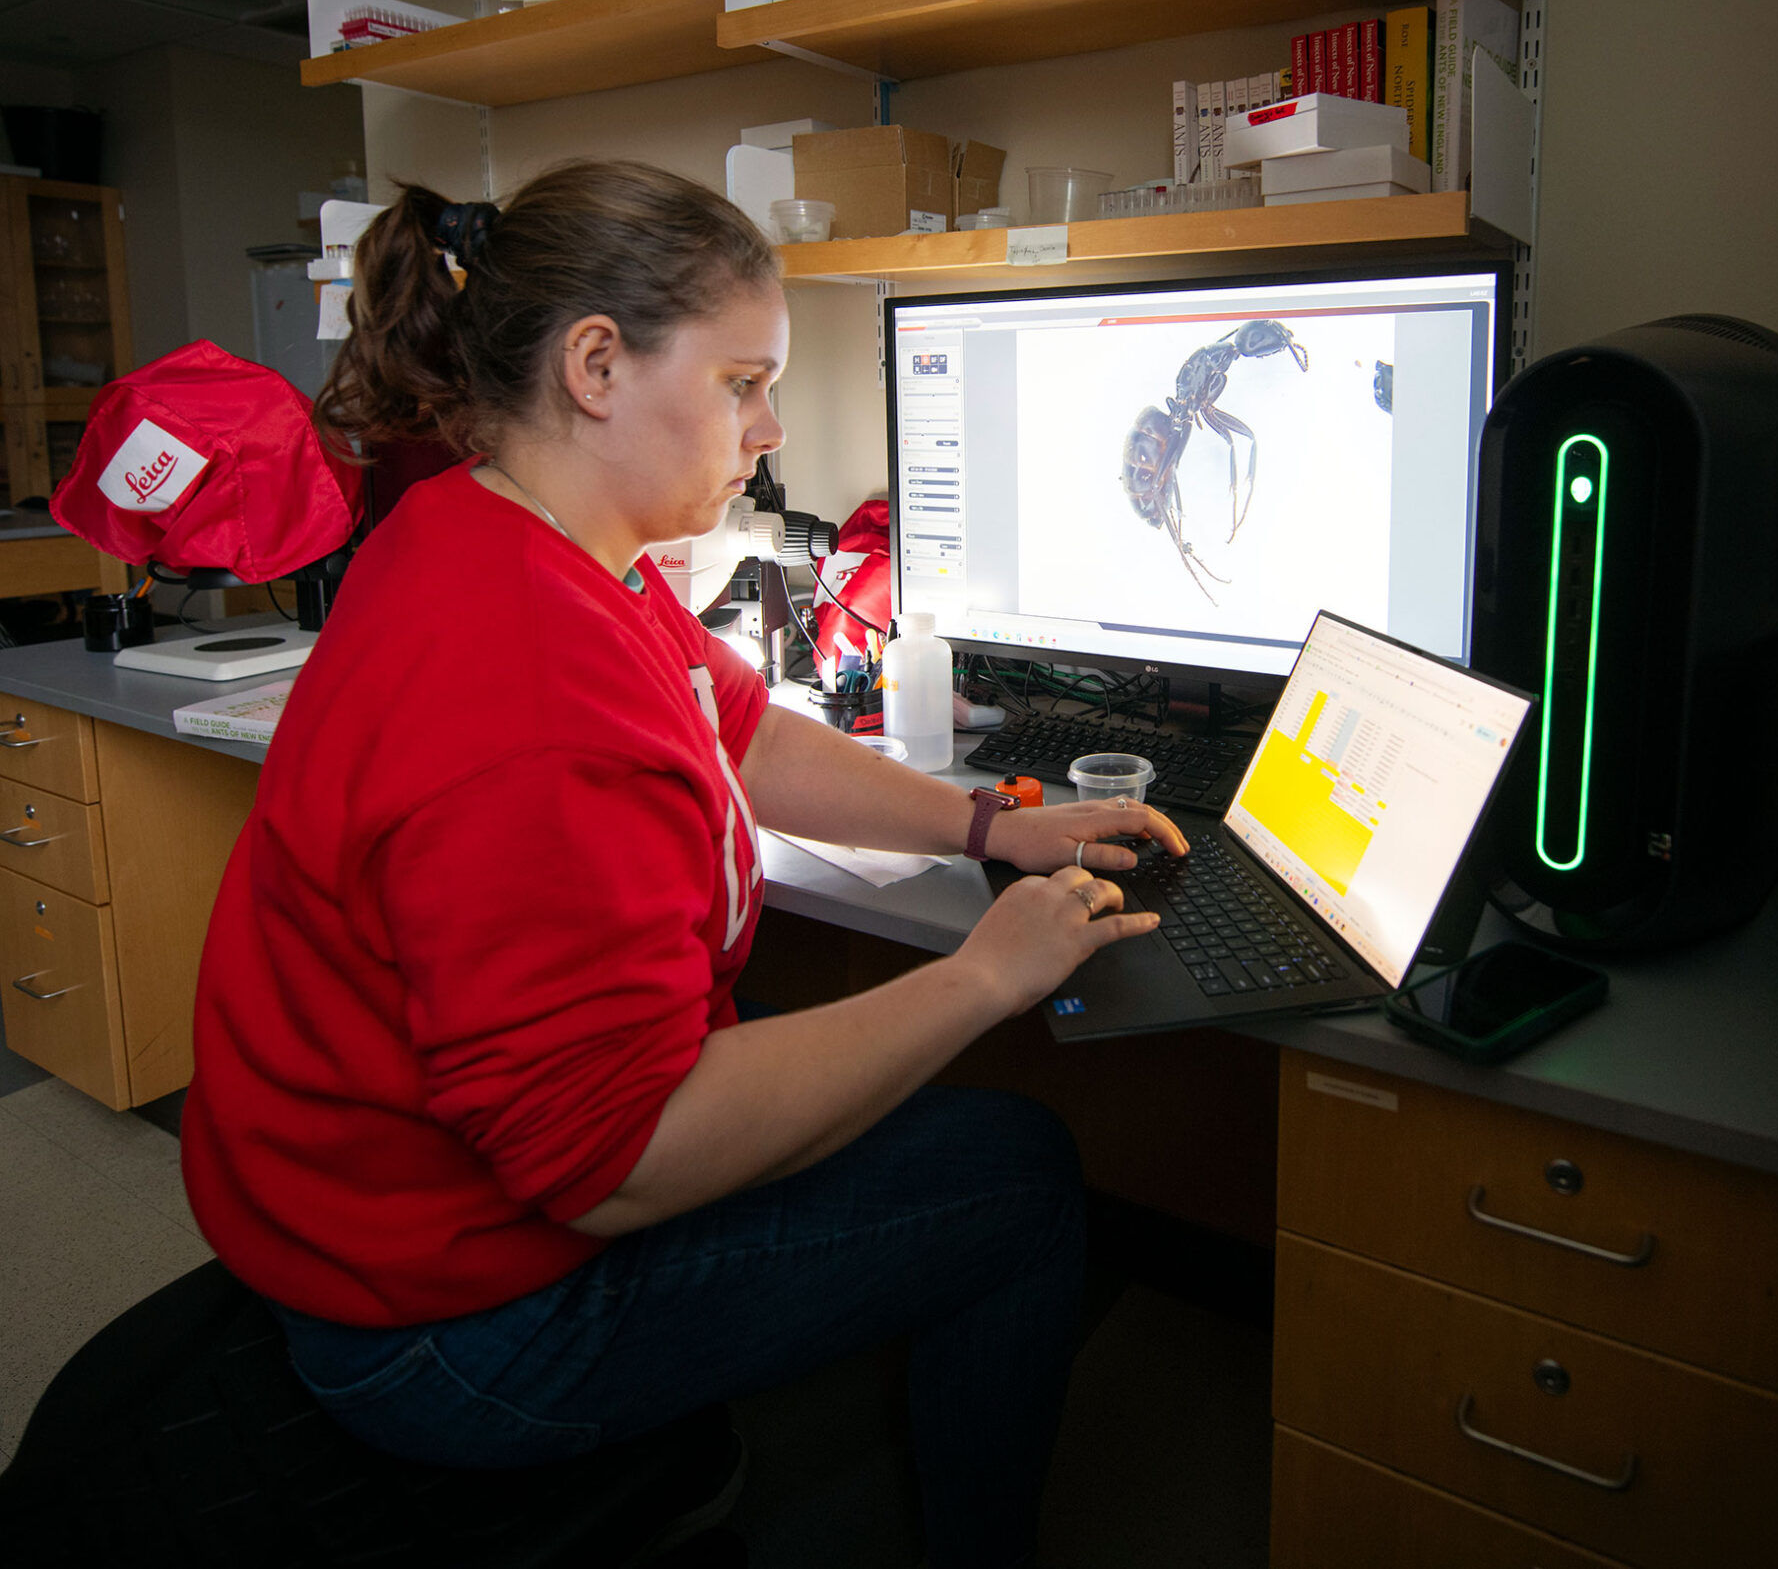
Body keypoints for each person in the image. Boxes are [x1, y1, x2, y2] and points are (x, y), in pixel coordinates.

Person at [179, 160, 1187, 1569]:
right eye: (741, 383)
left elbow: (741, 732)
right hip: (448, 1321)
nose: (770, 428)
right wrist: (981, 977)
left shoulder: (521, 536)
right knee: (1015, 1175)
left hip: (382, 1197)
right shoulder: (522, 699)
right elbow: (610, 1162)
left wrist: (986, 827)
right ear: (597, 364)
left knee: (900, 1083)